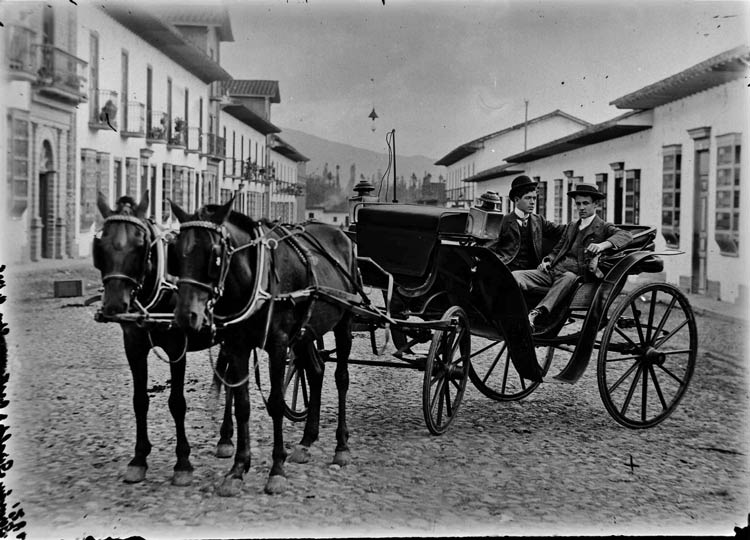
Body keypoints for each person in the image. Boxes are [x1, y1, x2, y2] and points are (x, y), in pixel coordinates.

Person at [513, 183, 633, 332]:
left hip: (576, 278)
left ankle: (537, 313)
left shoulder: (603, 227)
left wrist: (603, 245)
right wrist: (548, 260)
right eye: (578, 204)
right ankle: (512, 315)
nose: (581, 208)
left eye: (586, 203)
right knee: (515, 277)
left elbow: (626, 235)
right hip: (552, 272)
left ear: (596, 204)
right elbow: (558, 249)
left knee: (568, 277)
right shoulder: (572, 226)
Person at [487, 175, 565, 272]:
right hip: (508, 270)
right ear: (516, 200)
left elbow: (563, 229)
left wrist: (583, 224)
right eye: (528, 198)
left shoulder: (539, 220)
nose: (532, 202)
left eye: (534, 198)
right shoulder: (503, 222)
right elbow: (489, 250)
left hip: (533, 272)